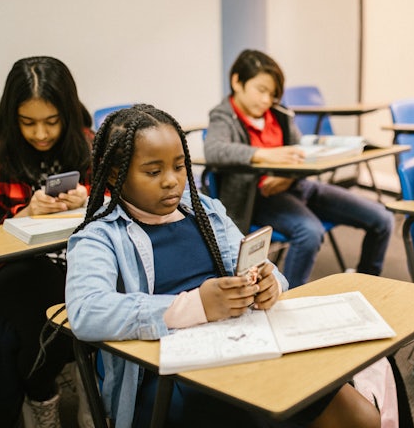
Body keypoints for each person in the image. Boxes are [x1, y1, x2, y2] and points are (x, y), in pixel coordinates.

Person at [64, 104, 384, 428]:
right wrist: (196, 306)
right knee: (280, 408)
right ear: (116, 175)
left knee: (360, 416)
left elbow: (257, 264)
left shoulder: (204, 209)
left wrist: (268, 284)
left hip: (240, 344)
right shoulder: (100, 236)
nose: (172, 182)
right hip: (169, 374)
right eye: (153, 171)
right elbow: (86, 311)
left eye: (178, 166)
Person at [0, 56, 94, 427]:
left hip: (76, 256)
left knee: (99, 292)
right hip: (13, 267)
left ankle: (87, 386)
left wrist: (89, 198)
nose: (40, 134)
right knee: (51, 313)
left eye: (51, 122)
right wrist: (24, 216)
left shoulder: (86, 143)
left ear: (67, 113)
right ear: (10, 116)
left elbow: (118, 213)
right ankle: (42, 396)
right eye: (27, 122)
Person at [203, 49, 395, 288]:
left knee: (382, 219)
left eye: (272, 94)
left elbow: (301, 152)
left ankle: (368, 281)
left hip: (298, 187)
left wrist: (289, 177)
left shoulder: (278, 114)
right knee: (309, 232)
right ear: (237, 82)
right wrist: (266, 155)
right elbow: (215, 150)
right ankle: (288, 296)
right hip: (259, 198)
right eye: (260, 90)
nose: (266, 100)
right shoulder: (223, 116)